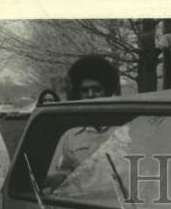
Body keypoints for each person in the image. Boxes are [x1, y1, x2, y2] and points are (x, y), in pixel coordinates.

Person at [46, 55, 121, 190]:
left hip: (120, 199)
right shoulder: (70, 134)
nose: (90, 95)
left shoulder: (124, 128)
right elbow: (62, 172)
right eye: (85, 90)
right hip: (84, 200)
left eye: (96, 89)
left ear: (108, 91)